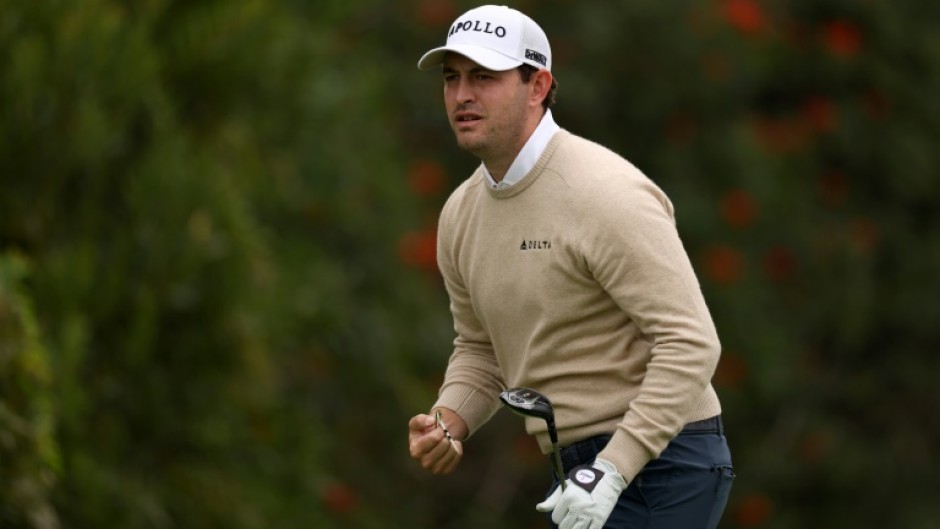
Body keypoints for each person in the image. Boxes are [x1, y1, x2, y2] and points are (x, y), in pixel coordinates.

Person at [407, 5, 734, 528]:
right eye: (452, 78)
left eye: (484, 77)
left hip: (664, 461)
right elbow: (481, 348)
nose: (462, 94)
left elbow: (692, 342)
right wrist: (448, 422)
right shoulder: (460, 214)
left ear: (537, 86)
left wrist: (613, 467)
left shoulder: (606, 192)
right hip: (579, 469)